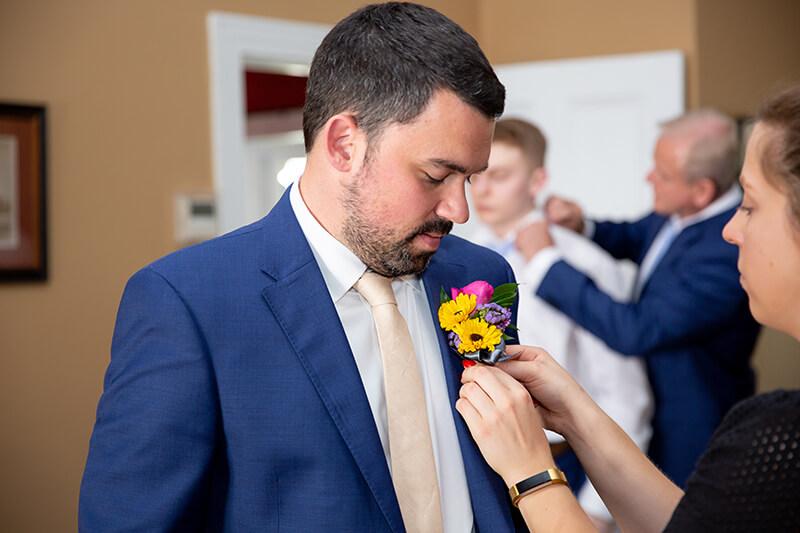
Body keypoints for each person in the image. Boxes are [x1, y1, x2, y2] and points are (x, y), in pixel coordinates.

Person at [79, 4, 526, 532]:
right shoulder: (189, 304)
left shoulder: (480, 276)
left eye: (469, 179)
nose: (460, 211)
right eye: (435, 175)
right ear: (344, 144)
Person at [457, 85, 800, 532]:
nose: (731, 229)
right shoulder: (468, 258)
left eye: (750, 205)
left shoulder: (774, 439)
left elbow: (638, 331)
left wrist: (530, 467)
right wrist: (574, 409)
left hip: (649, 442)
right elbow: (682, 523)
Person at [511, 109, 761, 487]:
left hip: (690, 434)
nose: (648, 177)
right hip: (653, 418)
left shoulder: (726, 253)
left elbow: (635, 329)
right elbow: (638, 236)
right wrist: (583, 226)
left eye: (662, 175)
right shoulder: (678, 213)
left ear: (702, 191)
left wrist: (547, 263)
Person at [468, 118, 653, 529]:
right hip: (479, 467)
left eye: (499, 176)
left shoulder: (583, 262)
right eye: (476, 175)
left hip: (565, 467)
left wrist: (596, 509)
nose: (482, 190)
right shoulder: (458, 258)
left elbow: (625, 394)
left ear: (538, 180)